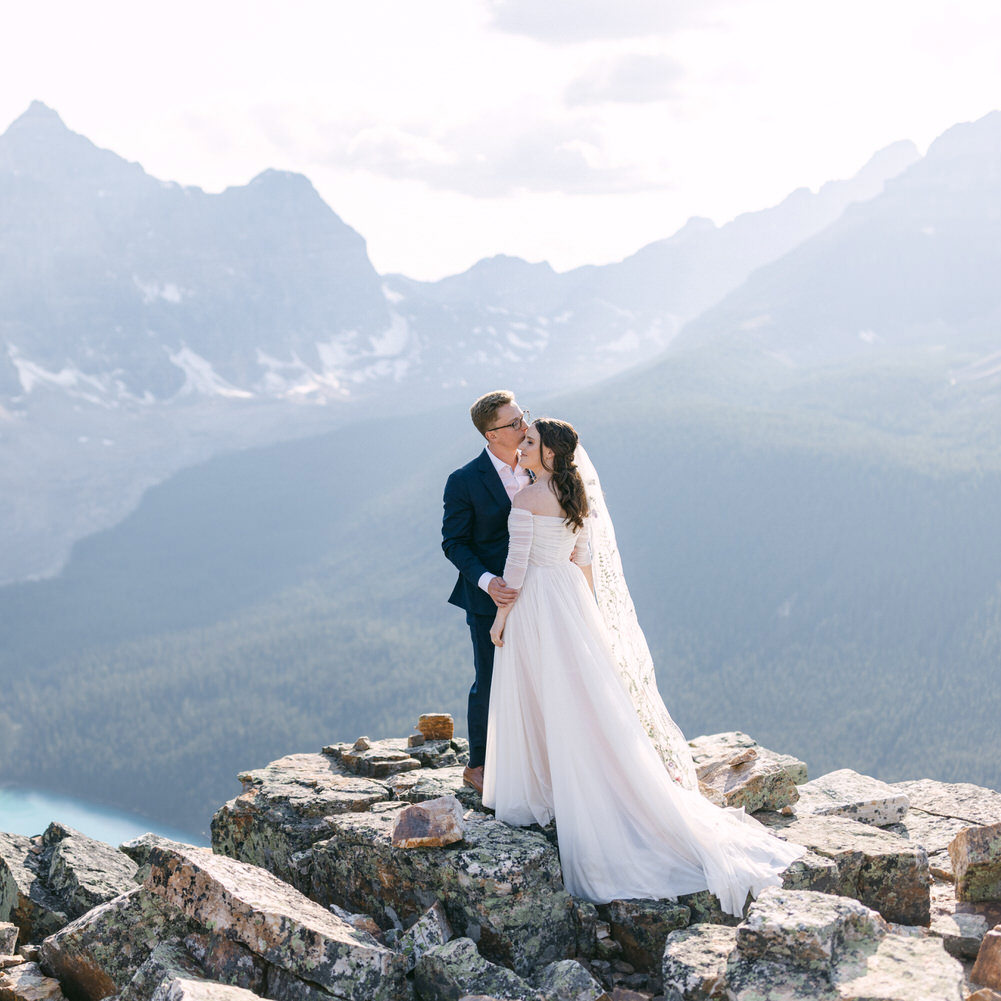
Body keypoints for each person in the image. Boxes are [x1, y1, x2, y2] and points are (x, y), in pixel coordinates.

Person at [483, 418, 805, 915]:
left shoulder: (524, 502)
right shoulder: (576, 501)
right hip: (571, 602)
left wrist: (501, 619)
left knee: (539, 695)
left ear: (549, 456)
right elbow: (584, 561)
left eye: (529, 442)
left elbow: (517, 570)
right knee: (584, 703)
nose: (521, 446)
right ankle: (588, 785)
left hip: (538, 606)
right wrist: (588, 619)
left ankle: (544, 793)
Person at [442, 391, 531, 795]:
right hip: (487, 598)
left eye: (522, 416)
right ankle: (478, 763)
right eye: (514, 423)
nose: (523, 426)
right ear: (491, 434)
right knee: (490, 679)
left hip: (540, 589)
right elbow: (454, 543)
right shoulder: (463, 480)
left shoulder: (538, 466)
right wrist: (487, 582)